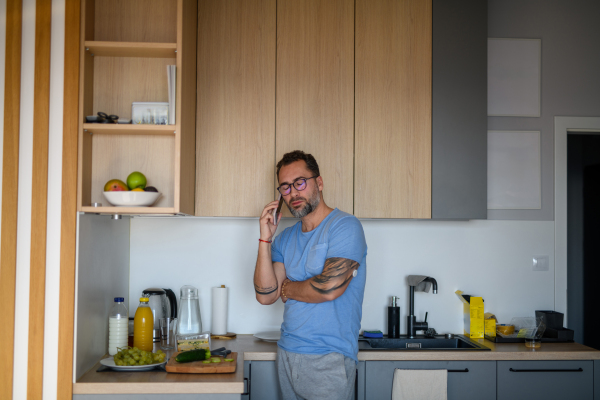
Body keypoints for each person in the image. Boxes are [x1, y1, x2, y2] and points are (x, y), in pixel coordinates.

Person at [254, 150, 368, 400]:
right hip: (286, 353)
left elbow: (329, 288)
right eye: (285, 187)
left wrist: (287, 288)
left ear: (319, 182)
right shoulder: (284, 239)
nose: (293, 192)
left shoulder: (345, 226)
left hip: (329, 359)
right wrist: (265, 238)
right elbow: (265, 295)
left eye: (300, 182)